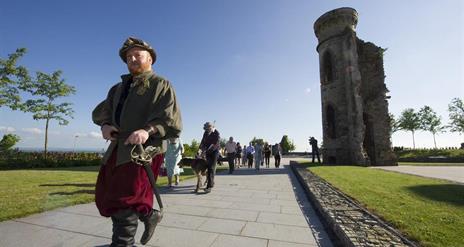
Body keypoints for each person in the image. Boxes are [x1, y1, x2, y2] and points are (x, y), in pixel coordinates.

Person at [92, 37, 182, 246]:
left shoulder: (161, 84)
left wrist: (147, 130)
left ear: (149, 59)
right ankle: (149, 215)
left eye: (137, 55)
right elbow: (103, 112)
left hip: (144, 151)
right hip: (117, 147)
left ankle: (122, 243)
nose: (132, 59)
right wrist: (105, 125)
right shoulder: (117, 88)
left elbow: (170, 118)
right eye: (128, 57)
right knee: (109, 194)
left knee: (126, 199)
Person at [199, 122, 220, 193]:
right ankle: (211, 182)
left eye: (208, 128)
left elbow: (214, 143)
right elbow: (203, 141)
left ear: (211, 127)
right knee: (209, 168)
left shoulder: (216, 133)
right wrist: (200, 149)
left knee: (211, 167)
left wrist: (206, 150)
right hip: (208, 152)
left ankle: (209, 187)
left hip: (214, 152)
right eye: (205, 129)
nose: (206, 130)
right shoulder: (205, 132)